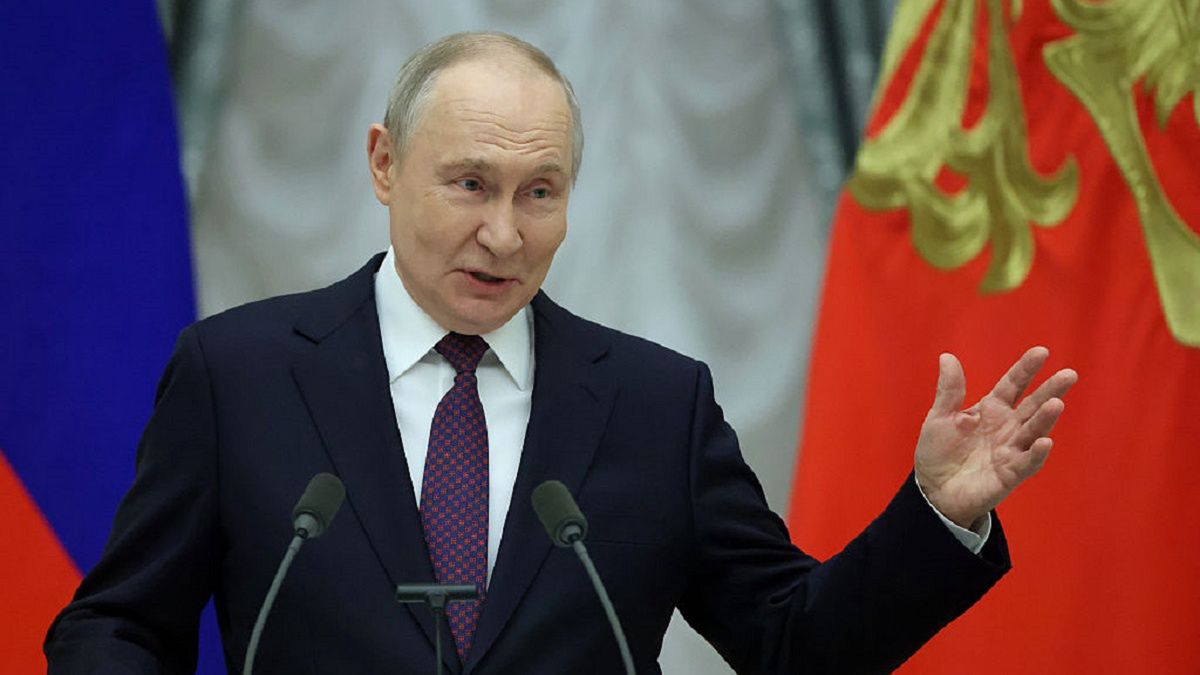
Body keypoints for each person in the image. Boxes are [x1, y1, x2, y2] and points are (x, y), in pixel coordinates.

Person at [45, 31, 1077, 674]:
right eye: (470, 185)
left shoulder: (653, 404)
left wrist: (941, 513)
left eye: (540, 192)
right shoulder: (240, 376)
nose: (506, 233)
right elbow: (119, 626)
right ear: (383, 164)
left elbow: (793, 644)